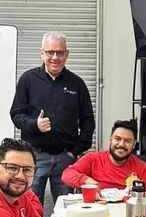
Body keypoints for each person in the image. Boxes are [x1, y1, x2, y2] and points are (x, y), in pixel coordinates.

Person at [10, 31, 95, 204]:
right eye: (50, 52)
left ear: (67, 54)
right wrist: (35, 124)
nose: (54, 57)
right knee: (30, 206)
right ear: (42, 53)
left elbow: (88, 122)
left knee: (66, 207)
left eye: (59, 52)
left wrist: (75, 151)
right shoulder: (28, 79)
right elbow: (16, 114)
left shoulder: (77, 84)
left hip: (65, 158)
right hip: (33, 157)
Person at [61, 119, 146, 195]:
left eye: (127, 141)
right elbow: (66, 174)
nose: (121, 144)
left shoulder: (141, 166)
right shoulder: (93, 159)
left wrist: (138, 190)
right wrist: (86, 180)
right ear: (110, 140)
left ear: (134, 145)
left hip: (129, 212)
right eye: (117, 139)